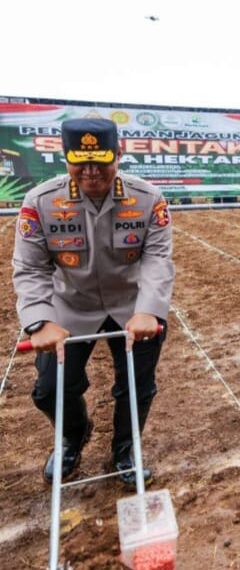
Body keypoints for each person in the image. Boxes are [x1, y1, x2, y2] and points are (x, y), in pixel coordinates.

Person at [13, 118, 175, 487]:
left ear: (119, 154)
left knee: (137, 386)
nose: (90, 171)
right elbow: (30, 267)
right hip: (70, 306)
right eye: (79, 160)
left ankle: (125, 449)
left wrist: (149, 310)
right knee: (51, 390)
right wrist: (40, 321)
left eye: (100, 160)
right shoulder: (41, 203)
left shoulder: (148, 200)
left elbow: (157, 260)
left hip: (133, 307)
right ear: (64, 156)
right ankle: (72, 435)